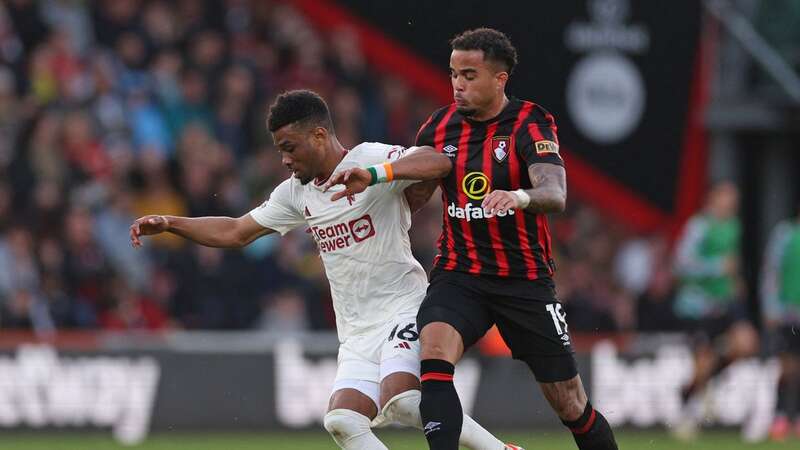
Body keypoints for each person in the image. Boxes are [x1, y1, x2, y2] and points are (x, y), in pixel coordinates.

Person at [130, 90, 520, 450]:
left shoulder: (368, 158)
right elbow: (236, 230)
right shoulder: (296, 192)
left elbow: (437, 161)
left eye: (289, 148)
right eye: (280, 150)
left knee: (403, 400)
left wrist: (379, 175)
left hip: (404, 306)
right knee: (343, 420)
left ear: (318, 135)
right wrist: (172, 223)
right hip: (356, 330)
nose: (284, 159)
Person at [327, 28, 617, 450]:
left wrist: (518, 196)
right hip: (460, 274)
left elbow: (555, 194)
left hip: (524, 280)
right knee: (434, 355)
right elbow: (417, 190)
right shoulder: (438, 127)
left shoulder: (530, 122)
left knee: (570, 403)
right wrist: (373, 190)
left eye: (469, 75)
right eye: (453, 75)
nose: (458, 85)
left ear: (500, 80)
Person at [672, 181, 758, 439]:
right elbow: (681, 265)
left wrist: (735, 281)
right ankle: (688, 399)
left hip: (726, 302)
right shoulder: (699, 226)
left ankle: (705, 382)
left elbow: (731, 261)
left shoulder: (733, 226)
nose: (732, 203)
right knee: (703, 362)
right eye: (727, 197)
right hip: (698, 305)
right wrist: (717, 267)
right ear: (713, 198)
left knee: (747, 344)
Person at [761, 204, 800, 441]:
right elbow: (771, 271)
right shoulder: (785, 234)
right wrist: (770, 306)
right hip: (788, 312)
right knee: (786, 367)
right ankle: (779, 416)